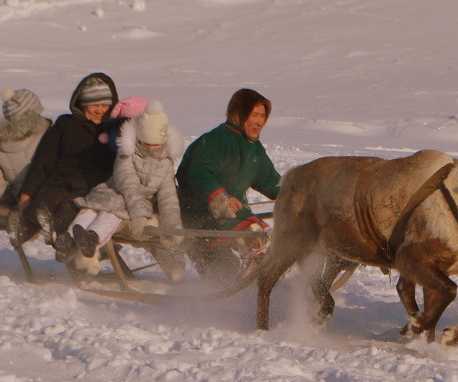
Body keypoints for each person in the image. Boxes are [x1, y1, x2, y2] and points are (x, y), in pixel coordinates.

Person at [68, 100, 187, 280]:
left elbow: (168, 197)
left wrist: (173, 227)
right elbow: (128, 184)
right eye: (145, 144)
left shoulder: (165, 162)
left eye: (155, 144)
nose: (150, 149)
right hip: (114, 194)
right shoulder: (127, 154)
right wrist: (139, 215)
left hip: (127, 204)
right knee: (91, 210)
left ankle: (92, 238)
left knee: (109, 215)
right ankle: (69, 241)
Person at [175, 88, 281, 282]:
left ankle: (259, 280)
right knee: (226, 269)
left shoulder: (253, 147)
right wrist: (220, 197)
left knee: (263, 241)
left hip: (232, 214)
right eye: (254, 115)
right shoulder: (217, 140)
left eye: (263, 116)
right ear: (238, 114)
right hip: (200, 215)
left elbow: (268, 179)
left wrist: (294, 195)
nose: (259, 121)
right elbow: (199, 172)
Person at [16, 72, 119, 260]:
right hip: (59, 183)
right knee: (42, 207)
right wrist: (27, 193)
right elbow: (43, 161)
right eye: (94, 104)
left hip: (93, 190)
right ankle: (22, 230)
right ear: (82, 103)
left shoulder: (114, 130)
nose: (100, 110)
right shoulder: (65, 125)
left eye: (105, 105)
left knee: (70, 211)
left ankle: (70, 248)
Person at [0, 88, 51, 241]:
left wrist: (13, 198)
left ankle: (18, 212)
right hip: (48, 197)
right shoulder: (48, 135)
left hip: (20, 199)